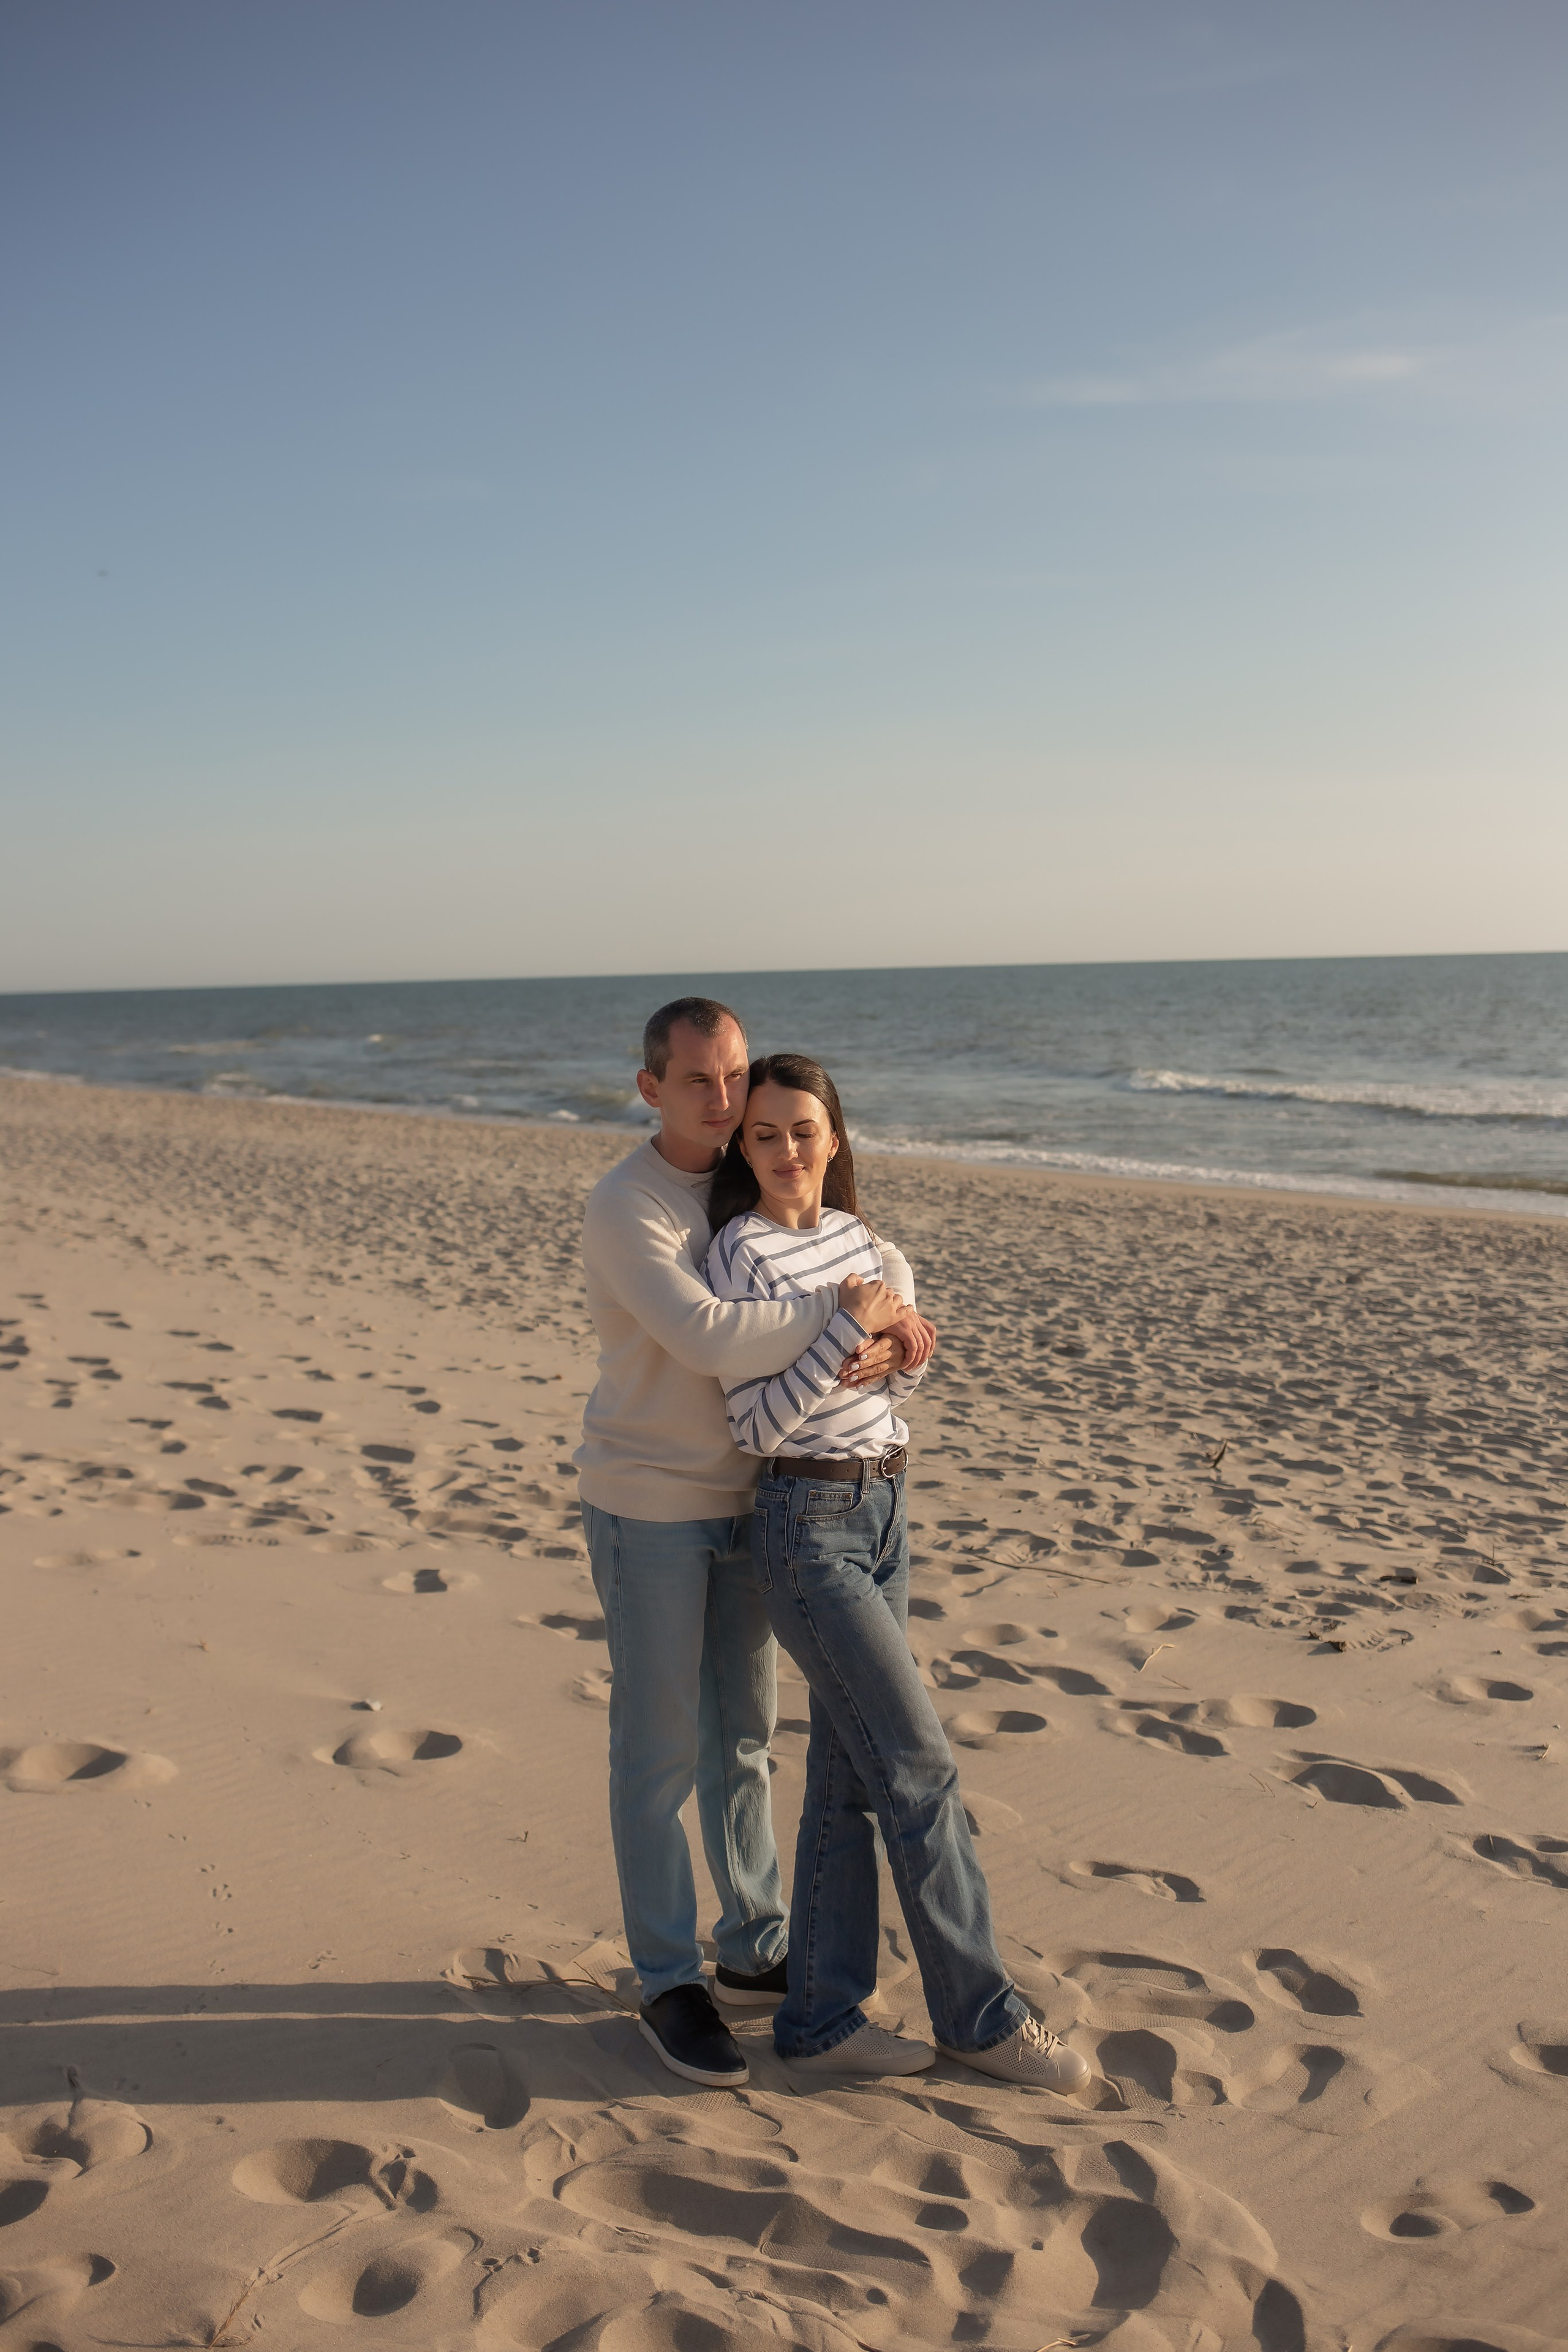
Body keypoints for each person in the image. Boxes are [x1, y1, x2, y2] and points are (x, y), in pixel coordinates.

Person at [706, 1052, 1091, 2094]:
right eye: (765, 1135)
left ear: (835, 1135)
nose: (787, 1152)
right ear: (744, 1149)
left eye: (804, 1131)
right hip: (804, 1519)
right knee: (919, 1769)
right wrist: (849, 1326)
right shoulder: (739, 1254)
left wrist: (902, 1340)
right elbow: (757, 1422)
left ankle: (823, 2019)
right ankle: (980, 2015)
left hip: (887, 1510)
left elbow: (906, 1356)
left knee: (848, 1776)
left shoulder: (869, 1241)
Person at [574, 998, 928, 2090]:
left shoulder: (742, 1178)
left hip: (760, 1498)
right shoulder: (627, 1203)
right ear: (651, 1089)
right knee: (660, 1746)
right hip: (650, 1502)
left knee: (744, 1738)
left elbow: (869, 1250)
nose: (726, 1102)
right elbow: (703, 1333)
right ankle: (668, 1978)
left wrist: (896, 1321)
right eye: (699, 1083)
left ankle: (755, 1944)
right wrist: (851, 1318)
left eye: (734, 1077)